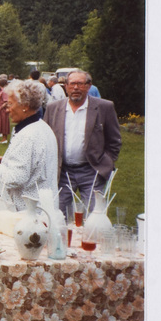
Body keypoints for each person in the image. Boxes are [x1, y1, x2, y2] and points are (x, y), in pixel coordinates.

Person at [0, 80, 58, 211]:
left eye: (10, 104)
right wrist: (4, 160)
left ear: (25, 106)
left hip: (28, 214)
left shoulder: (28, 135)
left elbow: (14, 178)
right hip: (42, 208)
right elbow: (32, 165)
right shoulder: (41, 127)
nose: (7, 109)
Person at [43, 69, 121, 217]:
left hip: (91, 171)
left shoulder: (104, 107)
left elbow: (114, 140)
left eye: (80, 83)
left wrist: (107, 162)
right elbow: (45, 138)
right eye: (72, 84)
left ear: (89, 86)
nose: (76, 88)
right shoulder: (53, 108)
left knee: (95, 217)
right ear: (65, 86)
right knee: (56, 216)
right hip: (62, 172)